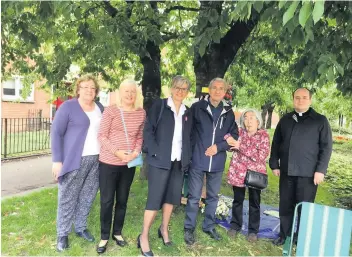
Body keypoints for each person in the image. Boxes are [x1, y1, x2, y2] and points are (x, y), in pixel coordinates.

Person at [269, 87, 333, 246]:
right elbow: (276, 142)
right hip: (287, 171)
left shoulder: (320, 120)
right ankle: (285, 236)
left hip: (309, 173)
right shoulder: (285, 119)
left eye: (304, 97)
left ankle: (302, 237)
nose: (300, 100)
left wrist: (320, 170)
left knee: (305, 208)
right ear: (293, 99)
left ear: (310, 100)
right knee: (285, 205)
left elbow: (326, 147)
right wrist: (274, 163)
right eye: (297, 97)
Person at [137, 75, 193, 256]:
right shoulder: (160, 106)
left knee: (171, 198)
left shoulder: (187, 111)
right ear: (171, 88)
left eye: (184, 89)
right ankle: (144, 236)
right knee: (154, 199)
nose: (180, 91)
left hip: (178, 162)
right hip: (159, 161)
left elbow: (189, 136)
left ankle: (163, 229)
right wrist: (155, 151)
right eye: (177, 87)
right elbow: (148, 130)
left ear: (187, 92)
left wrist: (187, 157)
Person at [51, 74, 104, 252]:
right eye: (85, 87)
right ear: (78, 89)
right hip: (74, 159)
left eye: (92, 87)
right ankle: (62, 233)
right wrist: (57, 161)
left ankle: (80, 227)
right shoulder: (68, 107)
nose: (89, 90)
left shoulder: (100, 108)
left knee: (88, 195)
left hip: (97, 159)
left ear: (96, 91)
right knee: (67, 196)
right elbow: (56, 134)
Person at [184, 78, 239, 245]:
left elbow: (234, 136)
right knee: (193, 197)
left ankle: (208, 225)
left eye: (220, 88)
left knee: (213, 196)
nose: (217, 91)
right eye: (214, 88)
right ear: (209, 90)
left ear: (225, 92)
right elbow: (188, 133)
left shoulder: (228, 112)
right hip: (198, 160)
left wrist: (219, 147)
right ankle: (189, 228)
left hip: (217, 161)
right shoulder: (197, 108)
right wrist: (190, 155)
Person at [96, 79, 146, 254]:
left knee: (122, 200)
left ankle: (117, 232)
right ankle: (104, 236)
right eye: (126, 91)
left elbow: (140, 137)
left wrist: (135, 152)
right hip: (109, 162)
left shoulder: (141, 113)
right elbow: (102, 136)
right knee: (107, 200)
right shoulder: (111, 111)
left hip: (129, 164)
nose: (130, 94)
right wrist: (117, 152)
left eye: (133, 91)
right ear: (120, 93)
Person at [226, 109, 270, 242]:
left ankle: (253, 231)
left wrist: (240, 147)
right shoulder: (239, 133)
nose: (249, 120)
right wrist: (229, 140)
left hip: (255, 175)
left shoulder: (264, 135)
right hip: (238, 172)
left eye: (252, 117)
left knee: (254, 203)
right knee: (237, 200)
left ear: (258, 121)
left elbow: (260, 156)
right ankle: (235, 225)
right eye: (246, 118)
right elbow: (229, 143)